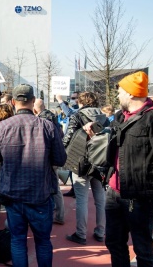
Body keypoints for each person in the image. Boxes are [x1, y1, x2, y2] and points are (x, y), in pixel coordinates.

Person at [83, 71, 153, 266]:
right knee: (114, 243)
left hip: (140, 197)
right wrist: (97, 130)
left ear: (131, 94)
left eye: (120, 92)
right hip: (114, 194)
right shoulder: (120, 116)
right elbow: (116, 141)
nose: (117, 96)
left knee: (142, 249)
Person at [0, 84, 66, 267]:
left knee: (18, 240)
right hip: (40, 194)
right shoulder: (47, 126)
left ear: (14, 102)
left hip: (13, 194)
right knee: (43, 241)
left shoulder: (2, 127)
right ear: (32, 101)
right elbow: (60, 159)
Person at [62, 92, 109, 245]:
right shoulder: (103, 117)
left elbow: (68, 137)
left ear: (81, 102)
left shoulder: (77, 115)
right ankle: (101, 231)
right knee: (100, 198)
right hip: (100, 161)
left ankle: (81, 233)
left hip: (80, 159)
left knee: (81, 198)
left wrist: (61, 153)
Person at [33, 99, 65, 226]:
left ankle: (55, 215)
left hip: (47, 158)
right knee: (55, 186)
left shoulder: (41, 121)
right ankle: (59, 214)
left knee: (52, 187)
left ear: (35, 109)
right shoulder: (53, 117)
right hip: (54, 156)